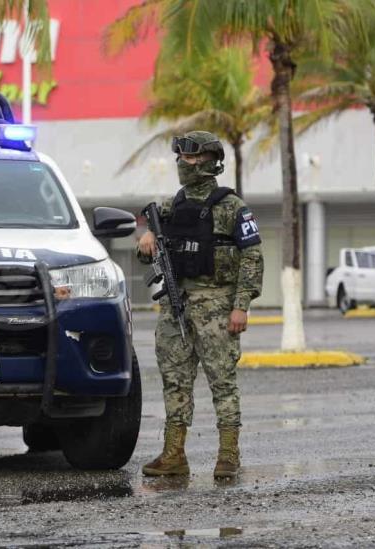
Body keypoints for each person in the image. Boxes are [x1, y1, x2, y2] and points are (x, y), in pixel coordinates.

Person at [137, 131, 264, 478]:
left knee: (222, 382)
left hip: (218, 306)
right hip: (178, 305)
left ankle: (228, 455)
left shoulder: (232, 207)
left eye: (191, 158)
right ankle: (174, 454)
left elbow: (252, 256)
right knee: (175, 380)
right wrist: (147, 236)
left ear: (209, 162)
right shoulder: (171, 206)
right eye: (181, 158)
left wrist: (241, 305)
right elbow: (145, 246)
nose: (184, 164)